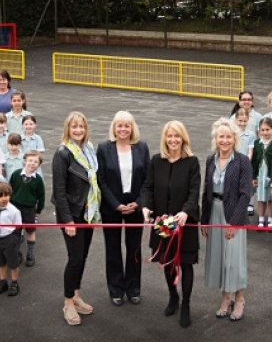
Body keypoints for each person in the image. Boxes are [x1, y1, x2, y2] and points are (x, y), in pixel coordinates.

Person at [140, 120, 200, 328]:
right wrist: (146, 207)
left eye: (177, 136)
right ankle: (173, 297)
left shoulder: (191, 162)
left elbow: (194, 192)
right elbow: (147, 187)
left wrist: (186, 211)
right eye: (169, 136)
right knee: (167, 261)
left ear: (183, 138)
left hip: (184, 222)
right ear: (164, 138)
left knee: (185, 262)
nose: (173, 140)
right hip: (163, 222)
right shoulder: (157, 161)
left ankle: (186, 304)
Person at [96, 111, 150, 306]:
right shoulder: (103, 148)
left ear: (132, 128)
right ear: (114, 127)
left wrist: (138, 201)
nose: (123, 129)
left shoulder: (141, 147)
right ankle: (116, 289)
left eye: (127, 125)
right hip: (112, 206)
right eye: (119, 125)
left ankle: (133, 288)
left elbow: (147, 179)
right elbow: (100, 179)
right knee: (112, 249)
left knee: (134, 248)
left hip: (135, 204)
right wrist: (115, 204)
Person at [52, 111, 100, 326]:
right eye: (74, 127)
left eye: (81, 126)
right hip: (72, 214)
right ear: (68, 129)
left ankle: (76, 294)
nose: (78, 130)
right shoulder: (63, 153)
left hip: (87, 212)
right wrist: (68, 221)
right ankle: (68, 303)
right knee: (75, 259)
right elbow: (59, 191)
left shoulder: (89, 149)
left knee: (83, 256)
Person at [201, 118, 250, 322]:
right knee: (220, 258)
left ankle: (239, 299)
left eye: (228, 137)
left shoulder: (242, 161)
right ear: (216, 139)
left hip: (233, 215)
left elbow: (246, 194)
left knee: (234, 260)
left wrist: (234, 221)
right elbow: (207, 190)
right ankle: (225, 297)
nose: (225, 140)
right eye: (221, 136)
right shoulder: (210, 160)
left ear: (234, 139)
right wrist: (204, 219)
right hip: (215, 212)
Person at [8, 150, 45, 267]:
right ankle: (17, 253)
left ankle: (30, 254)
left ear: (38, 165)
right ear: (25, 161)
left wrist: (38, 210)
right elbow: (9, 189)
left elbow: (41, 196)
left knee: (30, 231)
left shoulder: (38, 179)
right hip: (15, 207)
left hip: (29, 209)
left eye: (35, 162)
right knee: (16, 231)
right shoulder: (16, 174)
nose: (32, 163)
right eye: (30, 160)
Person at [0, 181, 23, 297]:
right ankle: (3, 281)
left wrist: (15, 239)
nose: (4, 199)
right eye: (0, 196)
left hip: (9, 238)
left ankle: (14, 282)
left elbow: (18, 226)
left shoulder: (14, 211)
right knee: (0, 262)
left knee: (13, 262)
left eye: (6, 195)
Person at [250, 117, 272, 227]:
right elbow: (254, 160)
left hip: (271, 173)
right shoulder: (257, 143)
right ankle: (261, 218)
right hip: (260, 174)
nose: (265, 132)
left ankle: (270, 218)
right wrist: (253, 176)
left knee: (270, 197)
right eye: (262, 130)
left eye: (267, 129)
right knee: (261, 197)